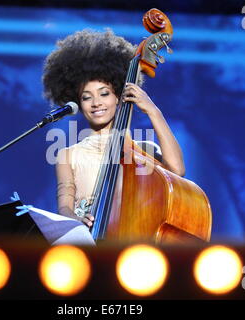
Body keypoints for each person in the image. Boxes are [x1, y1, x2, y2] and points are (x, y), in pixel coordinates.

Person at [42, 30, 185, 228]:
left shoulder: (142, 151)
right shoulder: (67, 155)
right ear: (78, 102)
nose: (96, 103)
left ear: (118, 95)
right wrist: (76, 220)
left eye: (104, 93)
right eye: (86, 97)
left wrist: (153, 111)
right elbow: (65, 208)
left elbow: (177, 171)